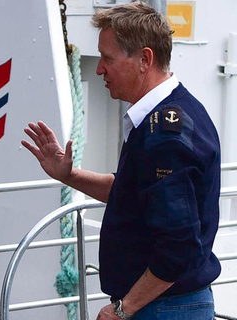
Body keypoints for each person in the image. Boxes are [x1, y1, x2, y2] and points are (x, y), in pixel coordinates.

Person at [22, 2, 221, 320]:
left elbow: (178, 245)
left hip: (162, 308)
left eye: (107, 58)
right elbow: (131, 192)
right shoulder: (171, 115)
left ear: (145, 59)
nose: (99, 69)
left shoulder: (165, 135)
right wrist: (69, 175)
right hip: (167, 304)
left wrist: (122, 308)